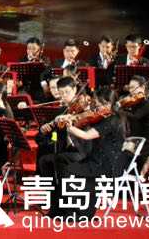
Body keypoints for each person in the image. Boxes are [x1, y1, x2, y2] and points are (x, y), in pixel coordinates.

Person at [47, 87, 125, 219]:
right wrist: (73, 118)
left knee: (68, 171)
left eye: (99, 105)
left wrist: (69, 126)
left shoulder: (112, 120)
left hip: (105, 163)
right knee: (63, 167)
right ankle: (62, 210)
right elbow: (87, 122)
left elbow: (87, 135)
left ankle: (78, 212)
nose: (96, 108)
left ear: (109, 103)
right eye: (96, 104)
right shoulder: (104, 117)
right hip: (96, 158)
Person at [117, 75, 149, 170]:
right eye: (130, 88)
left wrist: (120, 111)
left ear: (142, 87)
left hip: (144, 143)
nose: (131, 91)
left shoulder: (147, 104)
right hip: (133, 140)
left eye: (133, 87)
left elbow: (134, 117)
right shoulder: (133, 103)